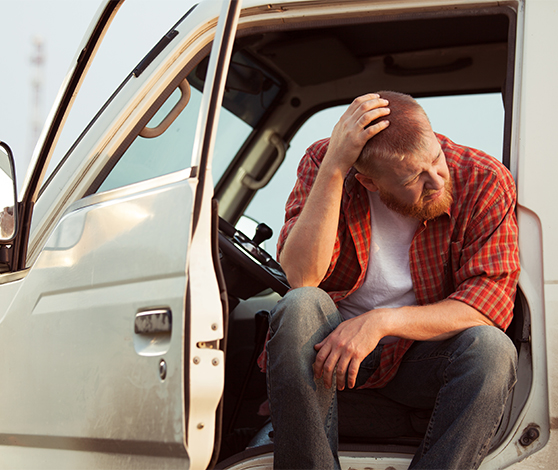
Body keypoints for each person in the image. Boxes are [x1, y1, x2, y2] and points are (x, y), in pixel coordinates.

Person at [264, 91, 520, 469]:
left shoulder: (482, 179)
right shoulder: (326, 162)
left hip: (420, 357)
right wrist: (334, 167)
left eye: (436, 158)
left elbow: (489, 304)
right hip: (332, 357)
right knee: (300, 305)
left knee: (492, 349)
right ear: (368, 182)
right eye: (415, 177)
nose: (437, 180)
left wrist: (382, 322)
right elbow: (303, 277)